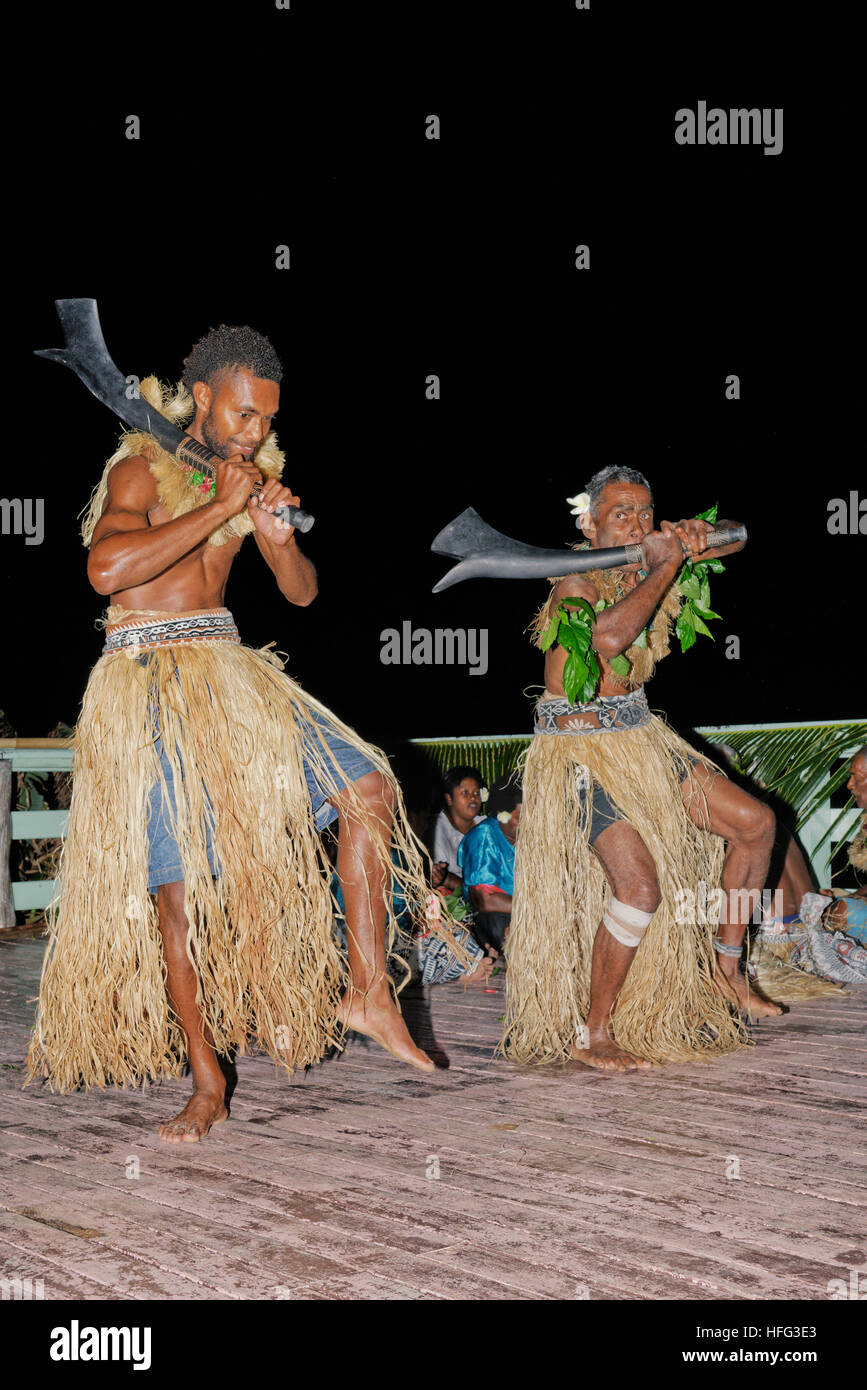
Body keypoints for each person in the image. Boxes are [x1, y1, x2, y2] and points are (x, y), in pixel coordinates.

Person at [26, 325, 466, 1140]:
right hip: (147, 683)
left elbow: (300, 595)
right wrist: (224, 505)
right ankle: (205, 1080)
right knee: (179, 904)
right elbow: (105, 571)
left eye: (266, 418)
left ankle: (369, 989)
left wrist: (270, 536)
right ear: (200, 399)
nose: (255, 430)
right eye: (242, 413)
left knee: (364, 784)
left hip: (232, 675)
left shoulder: (248, 480)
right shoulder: (139, 469)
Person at [502, 465, 784, 1075]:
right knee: (640, 888)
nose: (636, 524)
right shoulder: (574, 583)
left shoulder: (647, 560)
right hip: (580, 752)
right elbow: (607, 641)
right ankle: (593, 1030)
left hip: (643, 741)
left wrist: (689, 538)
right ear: (589, 523)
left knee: (755, 825)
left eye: (644, 513)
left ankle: (724, 971)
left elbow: (738, 536)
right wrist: (665, 564)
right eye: (620, 514)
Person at [458, 773, 521, 952]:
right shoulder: (483, 836)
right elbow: (485, 900)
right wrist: (536, 908)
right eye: (519, 817)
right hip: (492, 920)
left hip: (521, 914)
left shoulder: (527, 839)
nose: (526, 823)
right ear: (499, 814)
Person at [431, 766, 485, 892]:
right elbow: (438, 879)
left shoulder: (486, 825)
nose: (473, 798)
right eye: (465, 793)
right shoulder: (436, 829)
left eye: (476, 793)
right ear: (449, 799)